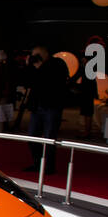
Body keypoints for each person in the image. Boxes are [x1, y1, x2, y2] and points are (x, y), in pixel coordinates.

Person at [24, 45, 68, 173]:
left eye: (37, 54)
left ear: (44, 53)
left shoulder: (57, 64)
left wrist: (39, 67)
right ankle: (37, 163)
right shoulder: (34, 66)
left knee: (49, 138)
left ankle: (48, 167)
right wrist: (29, 66)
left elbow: (53, 81)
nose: (35, 58)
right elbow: (29, 82)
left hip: (52, 106)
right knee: (32, 137)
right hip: (37, 106)